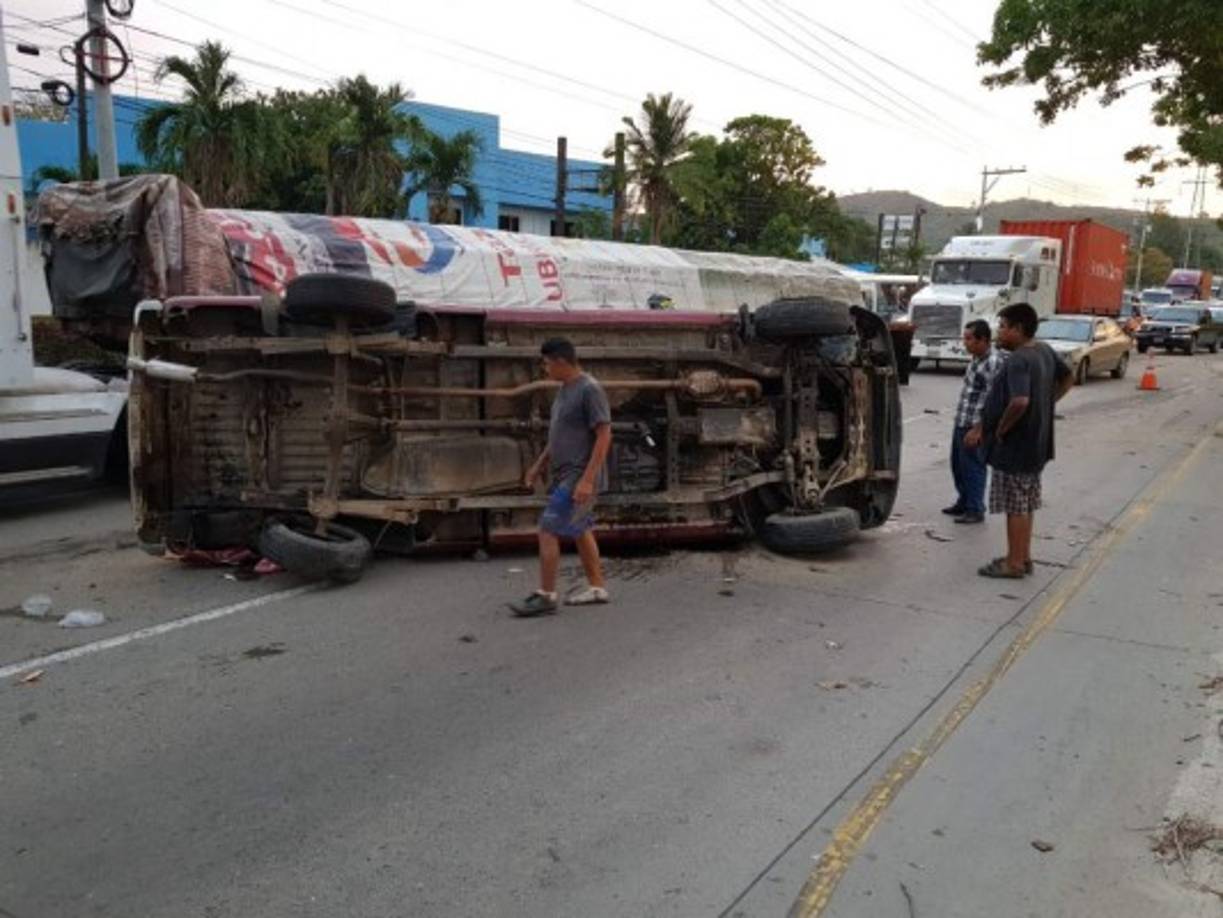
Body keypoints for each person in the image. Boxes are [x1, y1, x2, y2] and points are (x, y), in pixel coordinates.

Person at [966, 303, 1073, 578]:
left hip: (1016, 446)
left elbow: (1020, 400)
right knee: (1025, 502)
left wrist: (1001, 429)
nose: (999, 332)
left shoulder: (1019, 360)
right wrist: (1047, 403)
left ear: (1018, 328)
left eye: (1003, 326)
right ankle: (1022, 557)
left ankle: (1013, 564)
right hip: (1036, 444)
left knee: (1016, 506)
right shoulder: (1045, 351)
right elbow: (1067, 376)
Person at [510, 338, 613, 616]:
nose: (545, 369)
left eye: (546, 363)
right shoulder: (565, 390)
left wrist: (587, 480)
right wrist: (538, 465)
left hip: (578, 475)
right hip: (565, 473)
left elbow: (604, 436)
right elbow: (557, 434)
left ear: (561, 361)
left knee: (548, 529)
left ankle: (546, 595)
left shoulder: (589, 390)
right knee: (580, 528)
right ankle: (597, 588)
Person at [944, 319, 1006, 524]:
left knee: (973, 467)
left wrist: (979, 429)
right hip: (963, 420)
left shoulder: (993, 362)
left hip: (975, 424)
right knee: (958, 465)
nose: (965, 343)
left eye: (969, 339)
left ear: (984, 340)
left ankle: (975, 508)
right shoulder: (976, 359)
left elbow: (995, 400)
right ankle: (964, 501)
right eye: (965, 338)